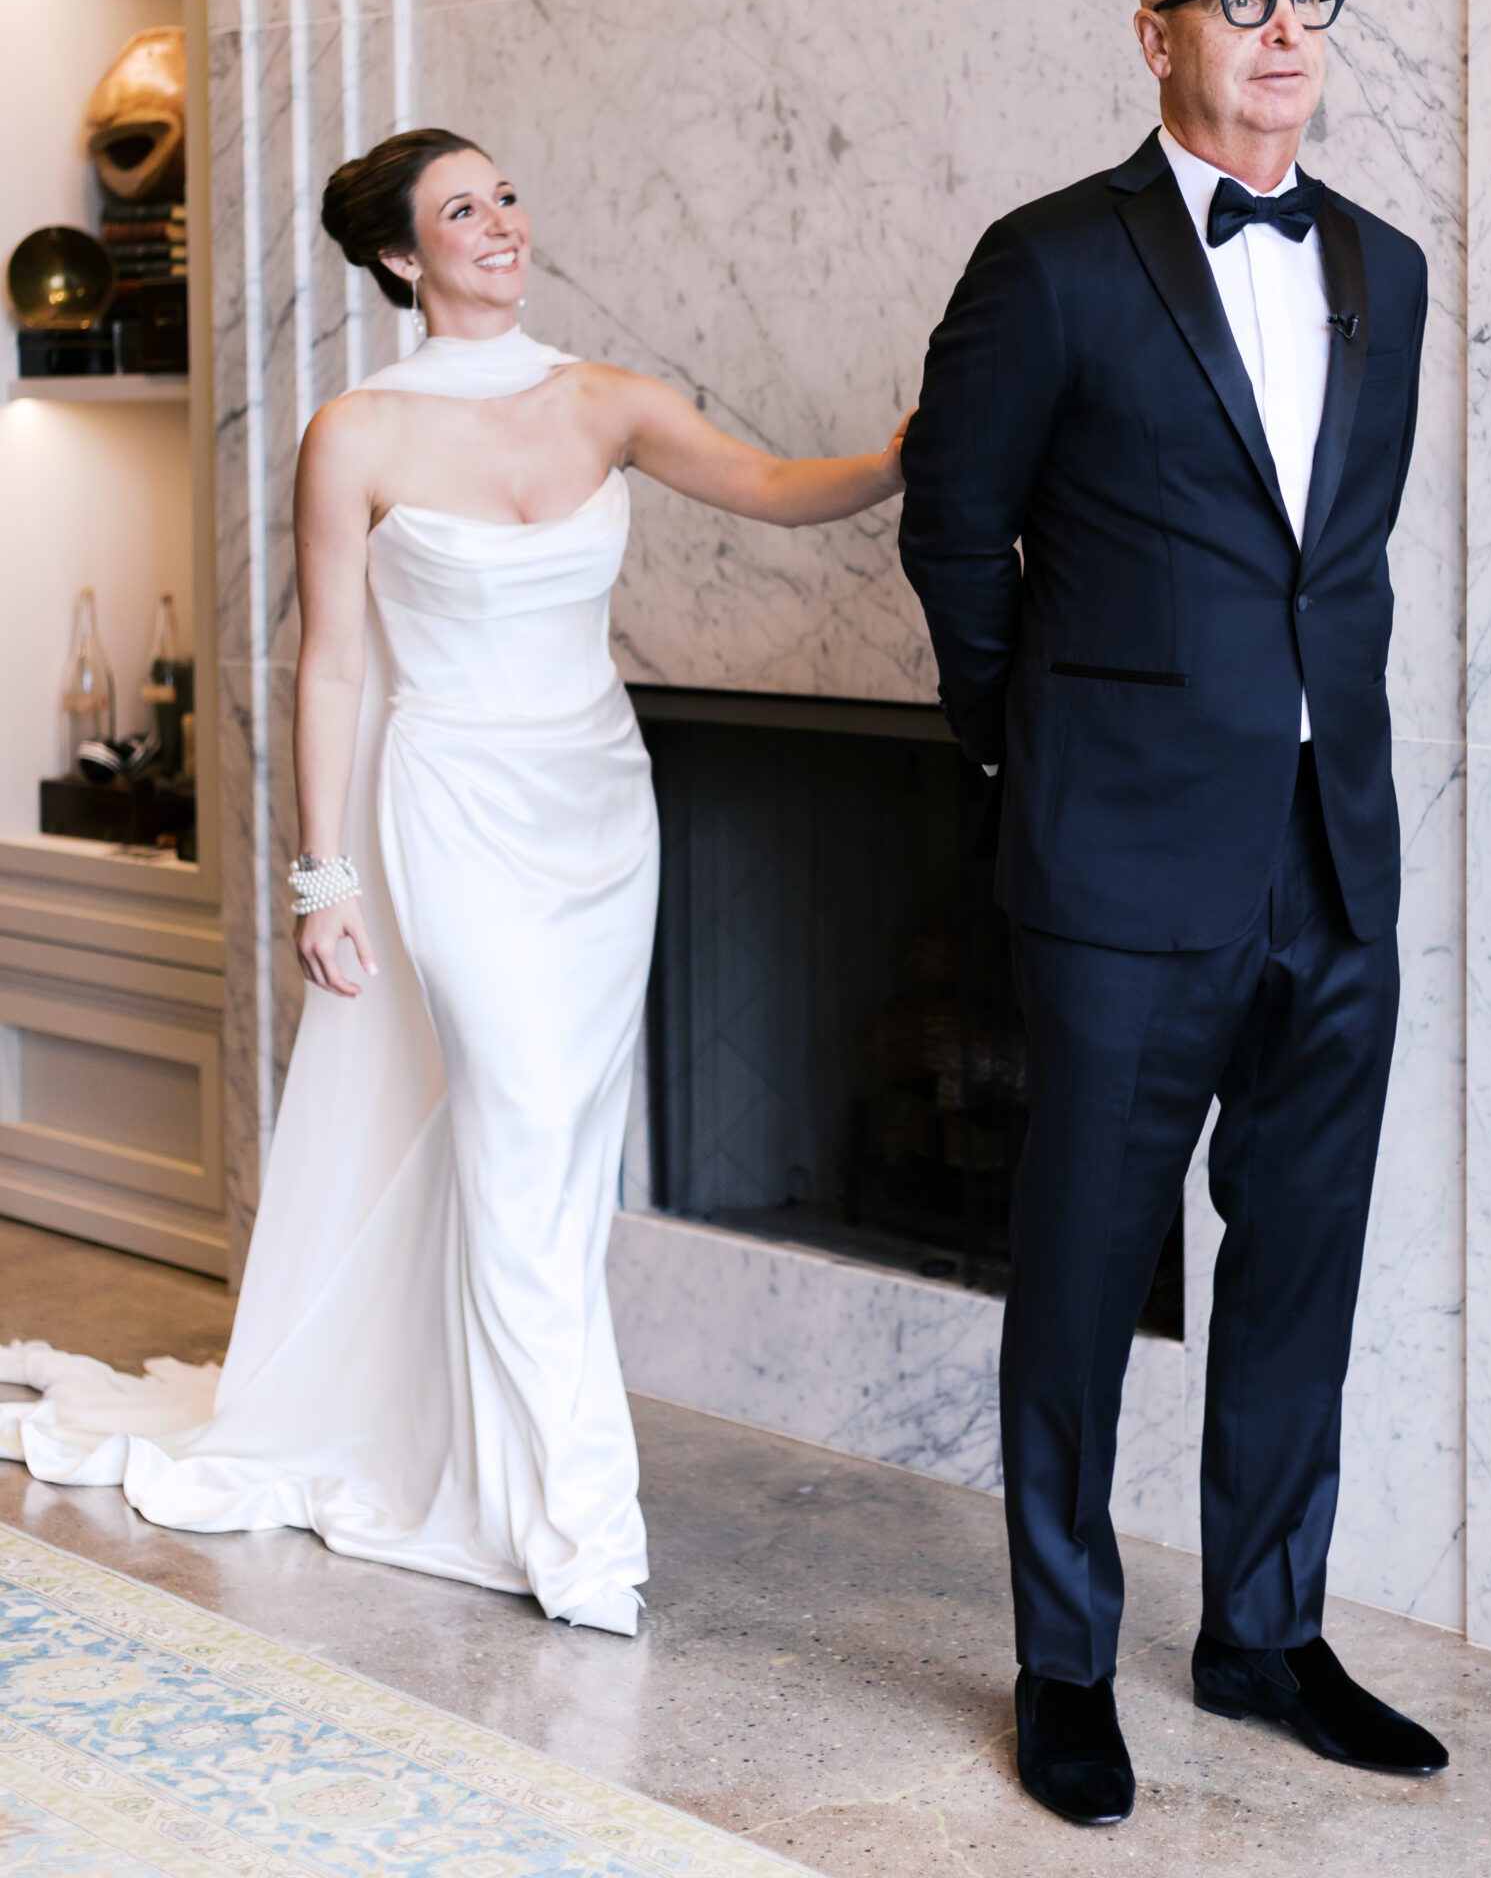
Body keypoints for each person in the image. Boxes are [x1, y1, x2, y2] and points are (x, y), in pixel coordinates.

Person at [1, 127, 905, 1636]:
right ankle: (575, 1520)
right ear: (402, 259)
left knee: (557, 1156)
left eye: (506, 195)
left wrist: (901, 456)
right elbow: (333, 665)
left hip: (600, 812)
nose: (501, 223)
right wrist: (321, 878)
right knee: (517, 1118)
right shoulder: (354, 433)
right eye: (461, 211)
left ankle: (504, 1463)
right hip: (450, 807)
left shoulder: (605, 398)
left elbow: (772, 486)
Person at [897, 0, 1447, 1823]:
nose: (1283, 32)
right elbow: (958, 540)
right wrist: (1024, 740)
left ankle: (1264, 1633)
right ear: (1156, 35)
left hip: (1337, 853)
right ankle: (1063, 1660)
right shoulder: (1047, 266)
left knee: (1302, 1262)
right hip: (1119, 860)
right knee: (1084, 1265)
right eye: (1239, 0)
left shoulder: (1387, 265)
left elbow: (1334, 563)